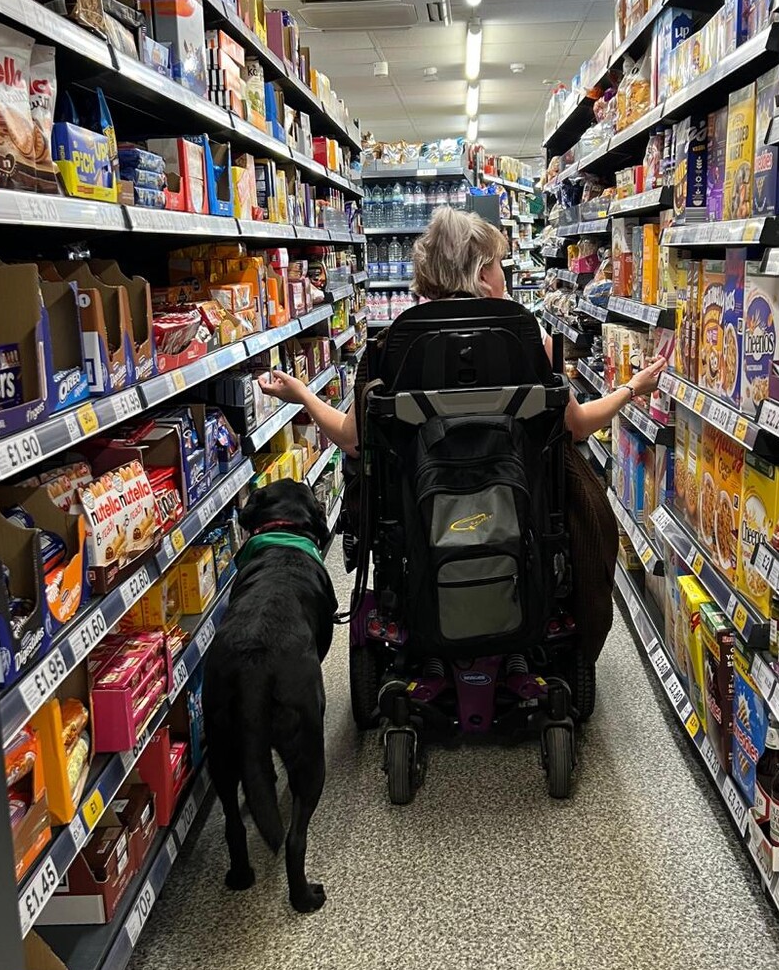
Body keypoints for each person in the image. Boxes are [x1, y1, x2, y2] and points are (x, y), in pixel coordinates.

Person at [258, 208, 666, 658]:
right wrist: (632, 388)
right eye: (498, 264)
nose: (504, 274)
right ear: (482, 273)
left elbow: (353, 440)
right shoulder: (527, 337)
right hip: (520, 509)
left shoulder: (394, 344)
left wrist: (303, 395)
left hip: (420, 516)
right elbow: (578, 425)